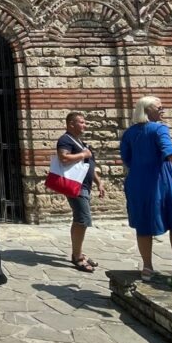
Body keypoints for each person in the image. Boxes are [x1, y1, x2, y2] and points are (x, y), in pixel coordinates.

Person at [120, 96, 172, 280]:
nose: (163, 109)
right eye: (159, 107)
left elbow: (126, 158)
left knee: (143, 223)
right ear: (146, 110)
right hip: (164, 178)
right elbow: (169, 151)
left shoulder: (129, 133)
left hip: (138, 182)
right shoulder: (160, 129)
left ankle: (147, 268)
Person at [56, 111, 105, 273]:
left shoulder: (80, 142)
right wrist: (83, 154)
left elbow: (88, 164)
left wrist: (99, 182)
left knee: (78, 219)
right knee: (83, 219)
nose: (85, 125)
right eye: (82, 122)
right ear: (71, 124)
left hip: (84, 185)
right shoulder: (65, 140)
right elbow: (63, 158)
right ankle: (77, 257)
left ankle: (77, 252)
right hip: (75, 185)